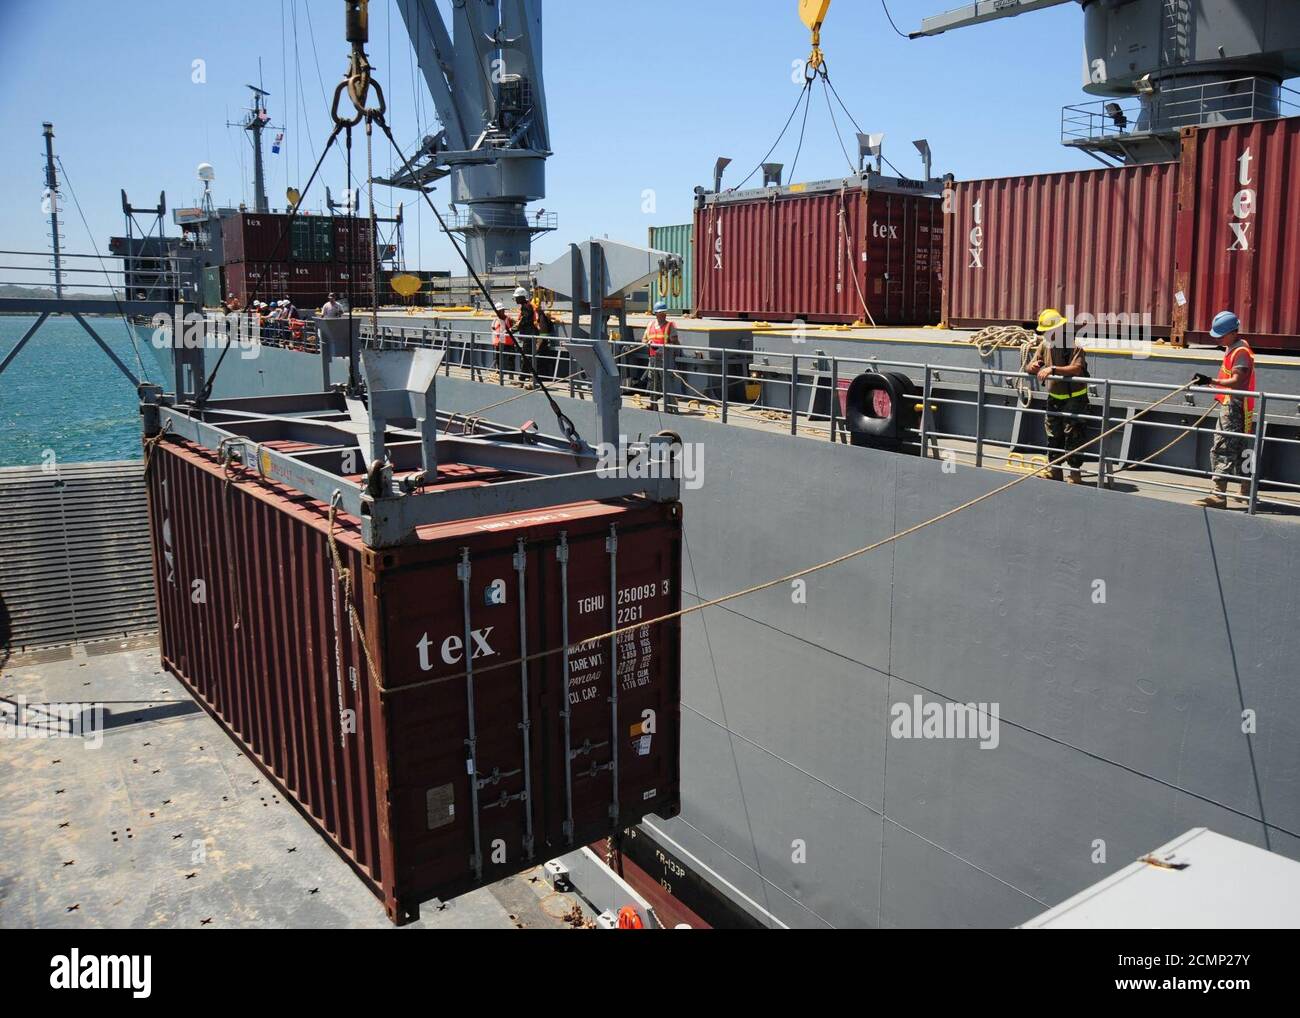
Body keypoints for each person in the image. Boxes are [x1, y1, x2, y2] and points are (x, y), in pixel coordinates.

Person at [1194, 310, 1256, 509]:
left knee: (1222, 447)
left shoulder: (1240, 352)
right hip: (1238, 404)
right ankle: (1246, 491)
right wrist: (1217, 386)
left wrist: (1210, 380)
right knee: (1240, 449)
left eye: (1220, 336)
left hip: (1234, 406)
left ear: (1232, 332)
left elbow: (1237, 381)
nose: (1218, 339)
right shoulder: (1235, 347)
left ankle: (1219, 495)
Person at [1025, 307, 1090, 484]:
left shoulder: (1074, 346)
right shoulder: (1045, 345)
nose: (1047, 334)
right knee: (1054, 435)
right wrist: (1035, 367)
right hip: (1055, 399)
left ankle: (1075, 475)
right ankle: (1055, 471)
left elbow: (1076, 368)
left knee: (1073, 436)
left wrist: (1053, 369)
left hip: (1075, 399)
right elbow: (1029, 366)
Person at [638, 299, 680, 406]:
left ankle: (670, 406)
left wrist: (665, 347)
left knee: (666, 382)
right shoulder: (650, 325)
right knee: (652, 381)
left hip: (665, 359)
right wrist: (648, 342)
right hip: (652, 358)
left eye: (664, 313)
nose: (663, 315)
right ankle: (653, 404)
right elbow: (643, 340)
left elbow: (676, 344)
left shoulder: (670, 326)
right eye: (661, 313)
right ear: (656, 314)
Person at [512, 286, 538, 386]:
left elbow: (525, 321)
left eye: (517, 297)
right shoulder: (526, 306)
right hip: (528, 335)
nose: (516, 299)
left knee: (526, 357)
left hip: (529, 335)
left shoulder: (526, 307)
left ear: (522, 297)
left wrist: (513, 329)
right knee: (527, 357)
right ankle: (525, 378)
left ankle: (522, 379)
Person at [491, 302, 518, 383]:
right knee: (498, 359)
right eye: (499, 311)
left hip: (509, 343)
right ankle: (499, 375)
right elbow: (493, 329)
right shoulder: (495, 320)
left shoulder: (509, 319)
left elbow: (516, 326)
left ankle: (511, 377)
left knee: (511, 359)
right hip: (500, 343)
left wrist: (509, 330)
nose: (501, 312)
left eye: (502, 310)